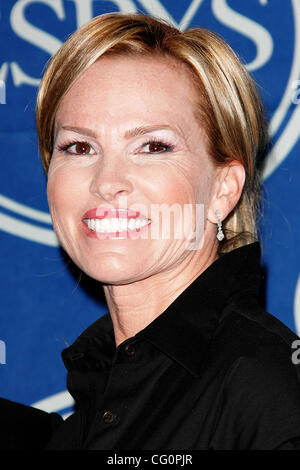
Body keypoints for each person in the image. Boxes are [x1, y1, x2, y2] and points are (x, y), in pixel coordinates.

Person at [33, 12, 300, 450]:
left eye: (152, 146)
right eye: (79, 147)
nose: (105, 181)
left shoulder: (270, 394)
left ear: (223, 188)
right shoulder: (85, 413)